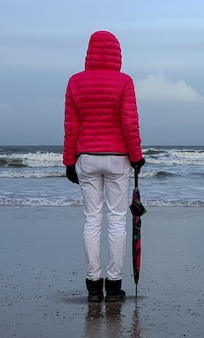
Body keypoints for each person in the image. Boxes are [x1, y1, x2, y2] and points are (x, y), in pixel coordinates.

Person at [63, 30, 145, 302]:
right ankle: (114, 285)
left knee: (92, 220)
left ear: (89, 52)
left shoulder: (75, 82)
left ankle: (93, 286)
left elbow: (71, 126)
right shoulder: (124, 82)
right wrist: (136, 156)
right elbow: (129, 122)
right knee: (117, 220)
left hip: (85, 156)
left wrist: (68, 162)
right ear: (117, 53)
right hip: (117, 157)